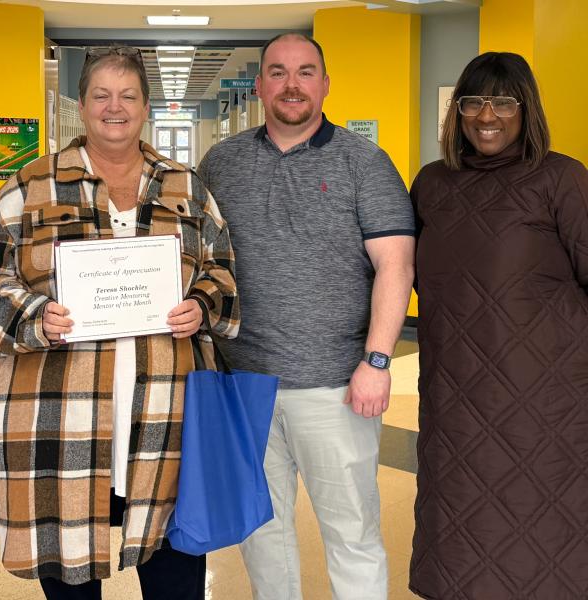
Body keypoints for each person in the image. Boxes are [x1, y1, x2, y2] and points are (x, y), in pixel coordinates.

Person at [0, 46, 239, 599]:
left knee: (176, 577)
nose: (115, 107)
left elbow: (223, 272)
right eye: (101, 96)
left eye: (128, 96)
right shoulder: (28, 188)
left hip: (166, 422)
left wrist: (201, 306)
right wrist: (37, 317)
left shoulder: (186, 188)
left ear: (145, 107)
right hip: (58, 423)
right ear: (81, 106)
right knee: (69, 578)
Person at [198, 33, 415, 600]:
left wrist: (378, 361)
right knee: (262, 536)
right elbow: (195, 258)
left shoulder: (364, 162)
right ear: (261, 84)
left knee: (352, 532)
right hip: (242, 384)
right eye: (277, 72)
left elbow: (396, 265)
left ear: (324, 83)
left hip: (336, 384)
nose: (291, 84)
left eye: (304, 72)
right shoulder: (222, 162)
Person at [409, 52, 588, 599]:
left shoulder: (562, 178)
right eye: (473, 101)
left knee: (548, 531)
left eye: (504, 101)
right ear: (456, 112)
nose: (487, 115)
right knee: (458, 534)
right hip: (454, 392)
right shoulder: (433, 184)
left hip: (547, 401)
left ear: (526, 109)